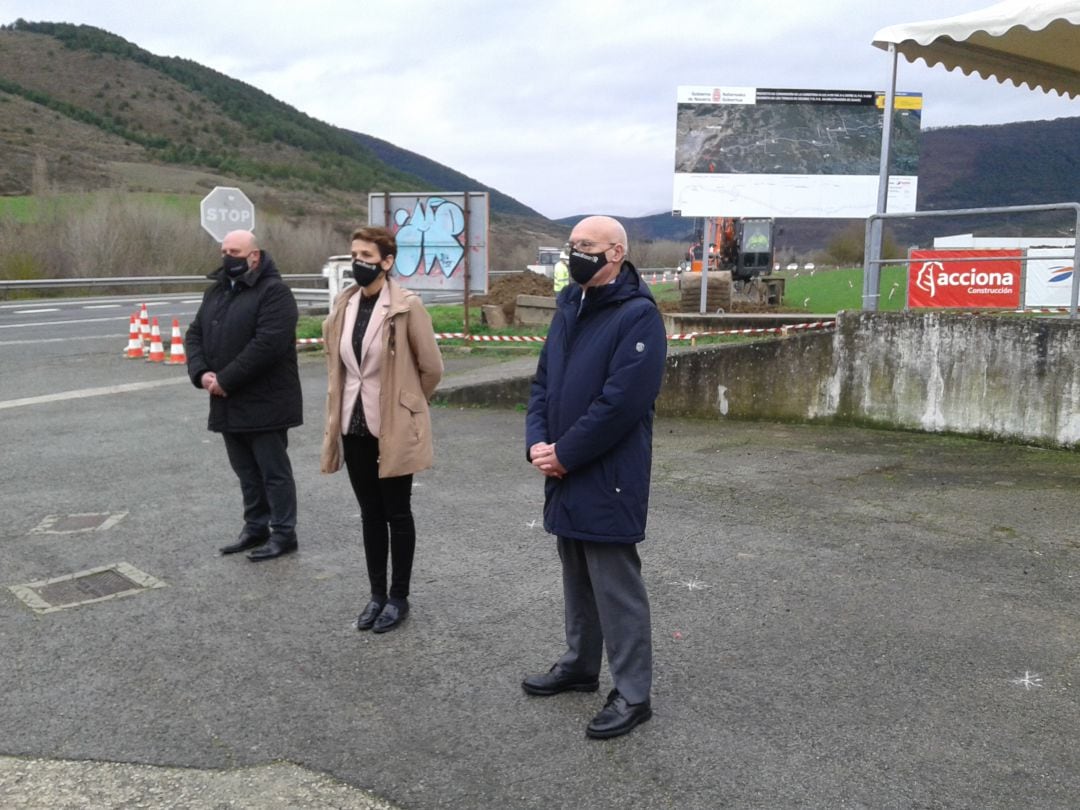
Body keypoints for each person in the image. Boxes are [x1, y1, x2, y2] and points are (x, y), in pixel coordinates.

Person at [523, 215, 667, 739]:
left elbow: (621, 404)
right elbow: (543, 382)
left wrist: (566, 452)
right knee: (576, 576)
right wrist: (538, 443)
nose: (573, 253)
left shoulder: (637, 317)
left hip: (607, 474)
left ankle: (633, 694)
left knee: (615, 585)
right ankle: (580, 665)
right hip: (563, 467)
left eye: (584, 246)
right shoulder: (570, 306)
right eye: (571, 244)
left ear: (615, 253)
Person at [320, 226, 443, 634]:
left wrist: (407, 404)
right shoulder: (345, 304)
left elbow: (432, 368)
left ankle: (398, 597)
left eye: (366, 256)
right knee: (370, 513)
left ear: (387, 262)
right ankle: (375, 595)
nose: (358, 262)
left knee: (397, 512)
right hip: (354, 424)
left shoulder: (407, 307)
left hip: (392, 425)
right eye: (354, 254)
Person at [185, 229, 303, 561]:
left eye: (234, 251)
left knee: (273, 472)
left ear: (254, 256)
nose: (227, 257)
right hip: (227, 400)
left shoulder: (275, 293)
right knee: (246, 472)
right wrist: (202, 373)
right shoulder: (217, 292)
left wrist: (226, 378)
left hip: (266, 401)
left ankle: (283, 533)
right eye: (223, 250)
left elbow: (268, 345)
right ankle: (255, 528)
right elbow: (195, 334)